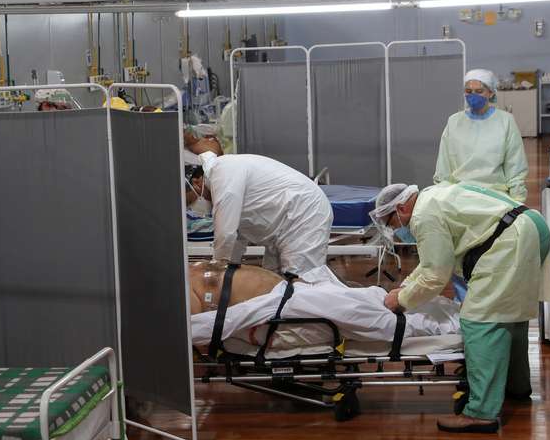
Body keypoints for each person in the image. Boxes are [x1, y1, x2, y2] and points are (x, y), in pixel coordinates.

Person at [373, 182, 550, 434]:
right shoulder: (433, 196)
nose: (396, 231)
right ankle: (516, 387)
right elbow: (430, 264)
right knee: (510, 314)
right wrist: (404, 287)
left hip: (511, 240)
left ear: (401, 208)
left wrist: (401, 301)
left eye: (392, 224)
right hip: (532, 225)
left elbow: (436, 276)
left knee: (479, 320)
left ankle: (480, 414)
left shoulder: (423, 217)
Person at [188, 261, 460, 347]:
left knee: (371, 301)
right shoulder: (258, 311)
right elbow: (215, 325)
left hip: (292, 294)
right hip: (288, 303)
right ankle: (452, 322)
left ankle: (451, 319)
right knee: (372, 311)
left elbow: (209, 326)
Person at [185, 137, 333, 277]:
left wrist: (216, 270)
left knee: (301, 282)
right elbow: (236, 236)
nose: (203, 199)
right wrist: (230, 267)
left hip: (305, 213)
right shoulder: (226, 173)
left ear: (198, 181)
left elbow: (225, 233)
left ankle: (346, 301)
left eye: (201, 195)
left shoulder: (222, 172)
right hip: (286, 224)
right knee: (274, 284)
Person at [434, 69, 529, 203]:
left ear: (490, 93)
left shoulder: (505, 121)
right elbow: (443, 167)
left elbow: (515, 166)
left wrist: (517, 201)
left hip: (495, 196)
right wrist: (442, 195)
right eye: (468, 91)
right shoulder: (454, 122)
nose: (473, 95)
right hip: (459, 195)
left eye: (479, 92)